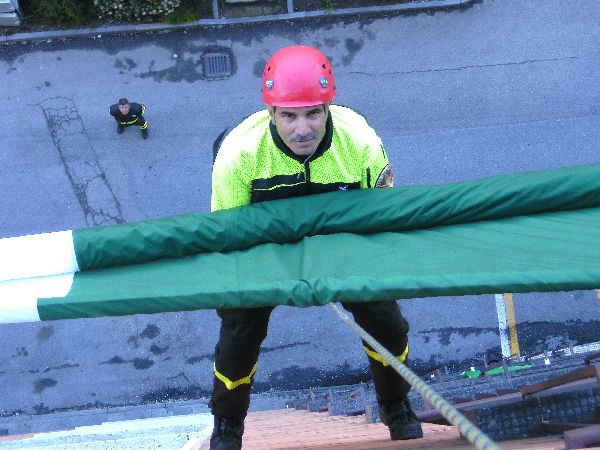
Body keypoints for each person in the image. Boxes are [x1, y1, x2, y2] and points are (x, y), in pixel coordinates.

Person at [209, 45, 423, 450]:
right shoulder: (236, 157)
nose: (302, 129)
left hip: (341, 240)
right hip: (263, 246)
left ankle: (396, 404)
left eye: (313, 113)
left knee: (387, 322)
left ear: (329, 106)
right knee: (238, 333)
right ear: (270, 113)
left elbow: (381, 219)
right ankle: (227, 421)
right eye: (288, 115)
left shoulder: (360, 143)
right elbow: (229, 238)